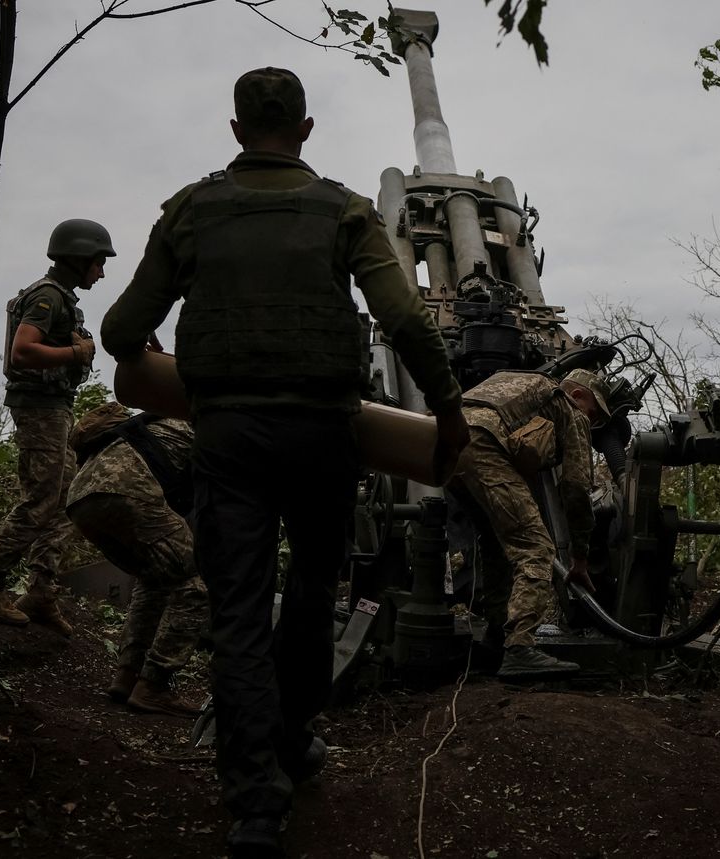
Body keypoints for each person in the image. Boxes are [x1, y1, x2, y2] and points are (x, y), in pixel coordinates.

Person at [100, 68, 468, 858]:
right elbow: (402, 314)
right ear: (305, 130)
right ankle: (294, 737)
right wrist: (447, 411)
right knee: (309, 593)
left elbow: (122, 325)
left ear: (236, 130)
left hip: (229, 439)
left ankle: (253, 808)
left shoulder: (190, 211)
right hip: (323, 437)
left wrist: (151, 365)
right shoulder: (344, 210)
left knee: (236, 609)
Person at [0, 219, 116, 636]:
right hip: (39, 408)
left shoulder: (60, 298)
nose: (102, 271)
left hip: (55, 408)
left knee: (64, 500)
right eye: (98, 262)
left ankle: (40, 591)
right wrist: (76, 352)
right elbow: (23, 352)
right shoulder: (46, 297)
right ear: (79, 259)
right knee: (39, 501)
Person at [453, 367, 610, 679]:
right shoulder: (570, 408)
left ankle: (497, 639)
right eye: (593, 415)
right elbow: (576, 487)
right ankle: (520, 647)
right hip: (485, 445)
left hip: (446, 440)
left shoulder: (517, 385)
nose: (590, 424)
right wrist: (580, 557)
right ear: (578, 395)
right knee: (536, 547)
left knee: (496, 543)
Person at [65, 402, 208, 718]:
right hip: (127, 488)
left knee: (154, 577)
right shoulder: (214, 427)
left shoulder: (163, 417)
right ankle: (154, 684)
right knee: (195, 583)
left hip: (81, 498)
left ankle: (127, 676)